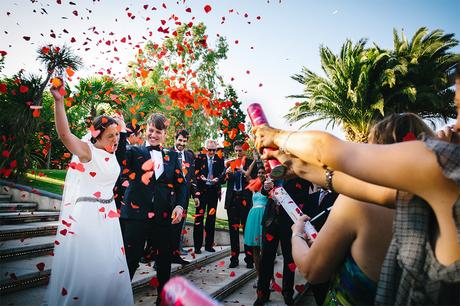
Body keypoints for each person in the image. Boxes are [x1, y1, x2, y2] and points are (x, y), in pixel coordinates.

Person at [254, 70, 460, 306]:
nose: (454, 126)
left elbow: (328, 150)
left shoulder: (440, 175)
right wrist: (297, 167)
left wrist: (277, 136)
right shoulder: (420, 195)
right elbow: (340, 180)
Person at [46, 80, 133, 305]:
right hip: (88, 217)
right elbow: (65, 135)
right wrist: (59, 101)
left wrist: (120, 129)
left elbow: (119, 145)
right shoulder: (87, 152)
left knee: (110, 269)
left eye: (117, 134)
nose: (116, 139)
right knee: (90, 271)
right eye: (111, 136)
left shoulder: (111, 150)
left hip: (108, 217)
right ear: (96, 136)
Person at [117, 113, 187, 306]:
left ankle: (162, 299)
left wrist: (180, 206)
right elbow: (119, 157)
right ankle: (118, 299)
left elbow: (182, 185)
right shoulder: (133, 151)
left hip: (162, 218)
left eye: (158, 131)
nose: (154, 134)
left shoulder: (172, 156)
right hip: (135, 217)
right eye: (151, 130)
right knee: (130, 260)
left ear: (165, 134)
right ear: (146, 130)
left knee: (164, 262)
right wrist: (122, 133)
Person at [255, 177, 313, 305]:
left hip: (289, 222)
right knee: (266, 259)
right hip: (270, 221)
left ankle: (287, 293)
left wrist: (282, 197)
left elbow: (304, 197)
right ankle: (262, 294)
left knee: (289, 259)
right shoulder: (274, 169)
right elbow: (264, 192)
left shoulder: (299, 174)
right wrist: (266, 187)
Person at [225, 143, 258, 268]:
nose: (238, 153)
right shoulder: (232, 162)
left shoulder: (250, 162)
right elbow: (222, 178)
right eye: (236, 150)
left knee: (246, 231)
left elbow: (255, 180)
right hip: (232, 200)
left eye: (240, 150)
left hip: (245, 200)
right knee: (233, 232)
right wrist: (227, 173)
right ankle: (234, 259)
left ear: (245, 151)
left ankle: (249, 259)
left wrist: (244, 171)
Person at [170, 129, 199, 265]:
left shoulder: (189, 155)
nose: (182, 143)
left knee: (179, 226)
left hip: (184, 196)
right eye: (180, 140)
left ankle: (176, 254)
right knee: (167, 227)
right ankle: (160, 258)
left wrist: (195, 195)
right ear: (175, 139)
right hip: (169, 196)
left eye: (184, 141)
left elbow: (192, 177)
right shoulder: (168, 153)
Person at [193, 139, 225, 254]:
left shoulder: (220, 159)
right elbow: (194, 172)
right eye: (209, 150)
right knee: (199, 218)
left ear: (216, 149)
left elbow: (223, 173)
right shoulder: (199, 158)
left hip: (213, 191)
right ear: (206, 148)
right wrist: (200, 177)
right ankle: (197, 246)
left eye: (213, 150)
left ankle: (208, 245)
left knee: (211, 219)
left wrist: (218, 179)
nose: (211, 152)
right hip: (202, 191)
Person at [243, 166, 270, 282]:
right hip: (253, 216)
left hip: (264, 216)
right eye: (258, 172)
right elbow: (247, 174)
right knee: (255, 248)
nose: (260, 174)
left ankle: (268, 278)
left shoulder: (269, 186)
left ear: (266, 174)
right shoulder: (254, 185)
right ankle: (259, 277)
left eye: (262, 172)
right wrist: (254, 160)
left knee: (265, 249)